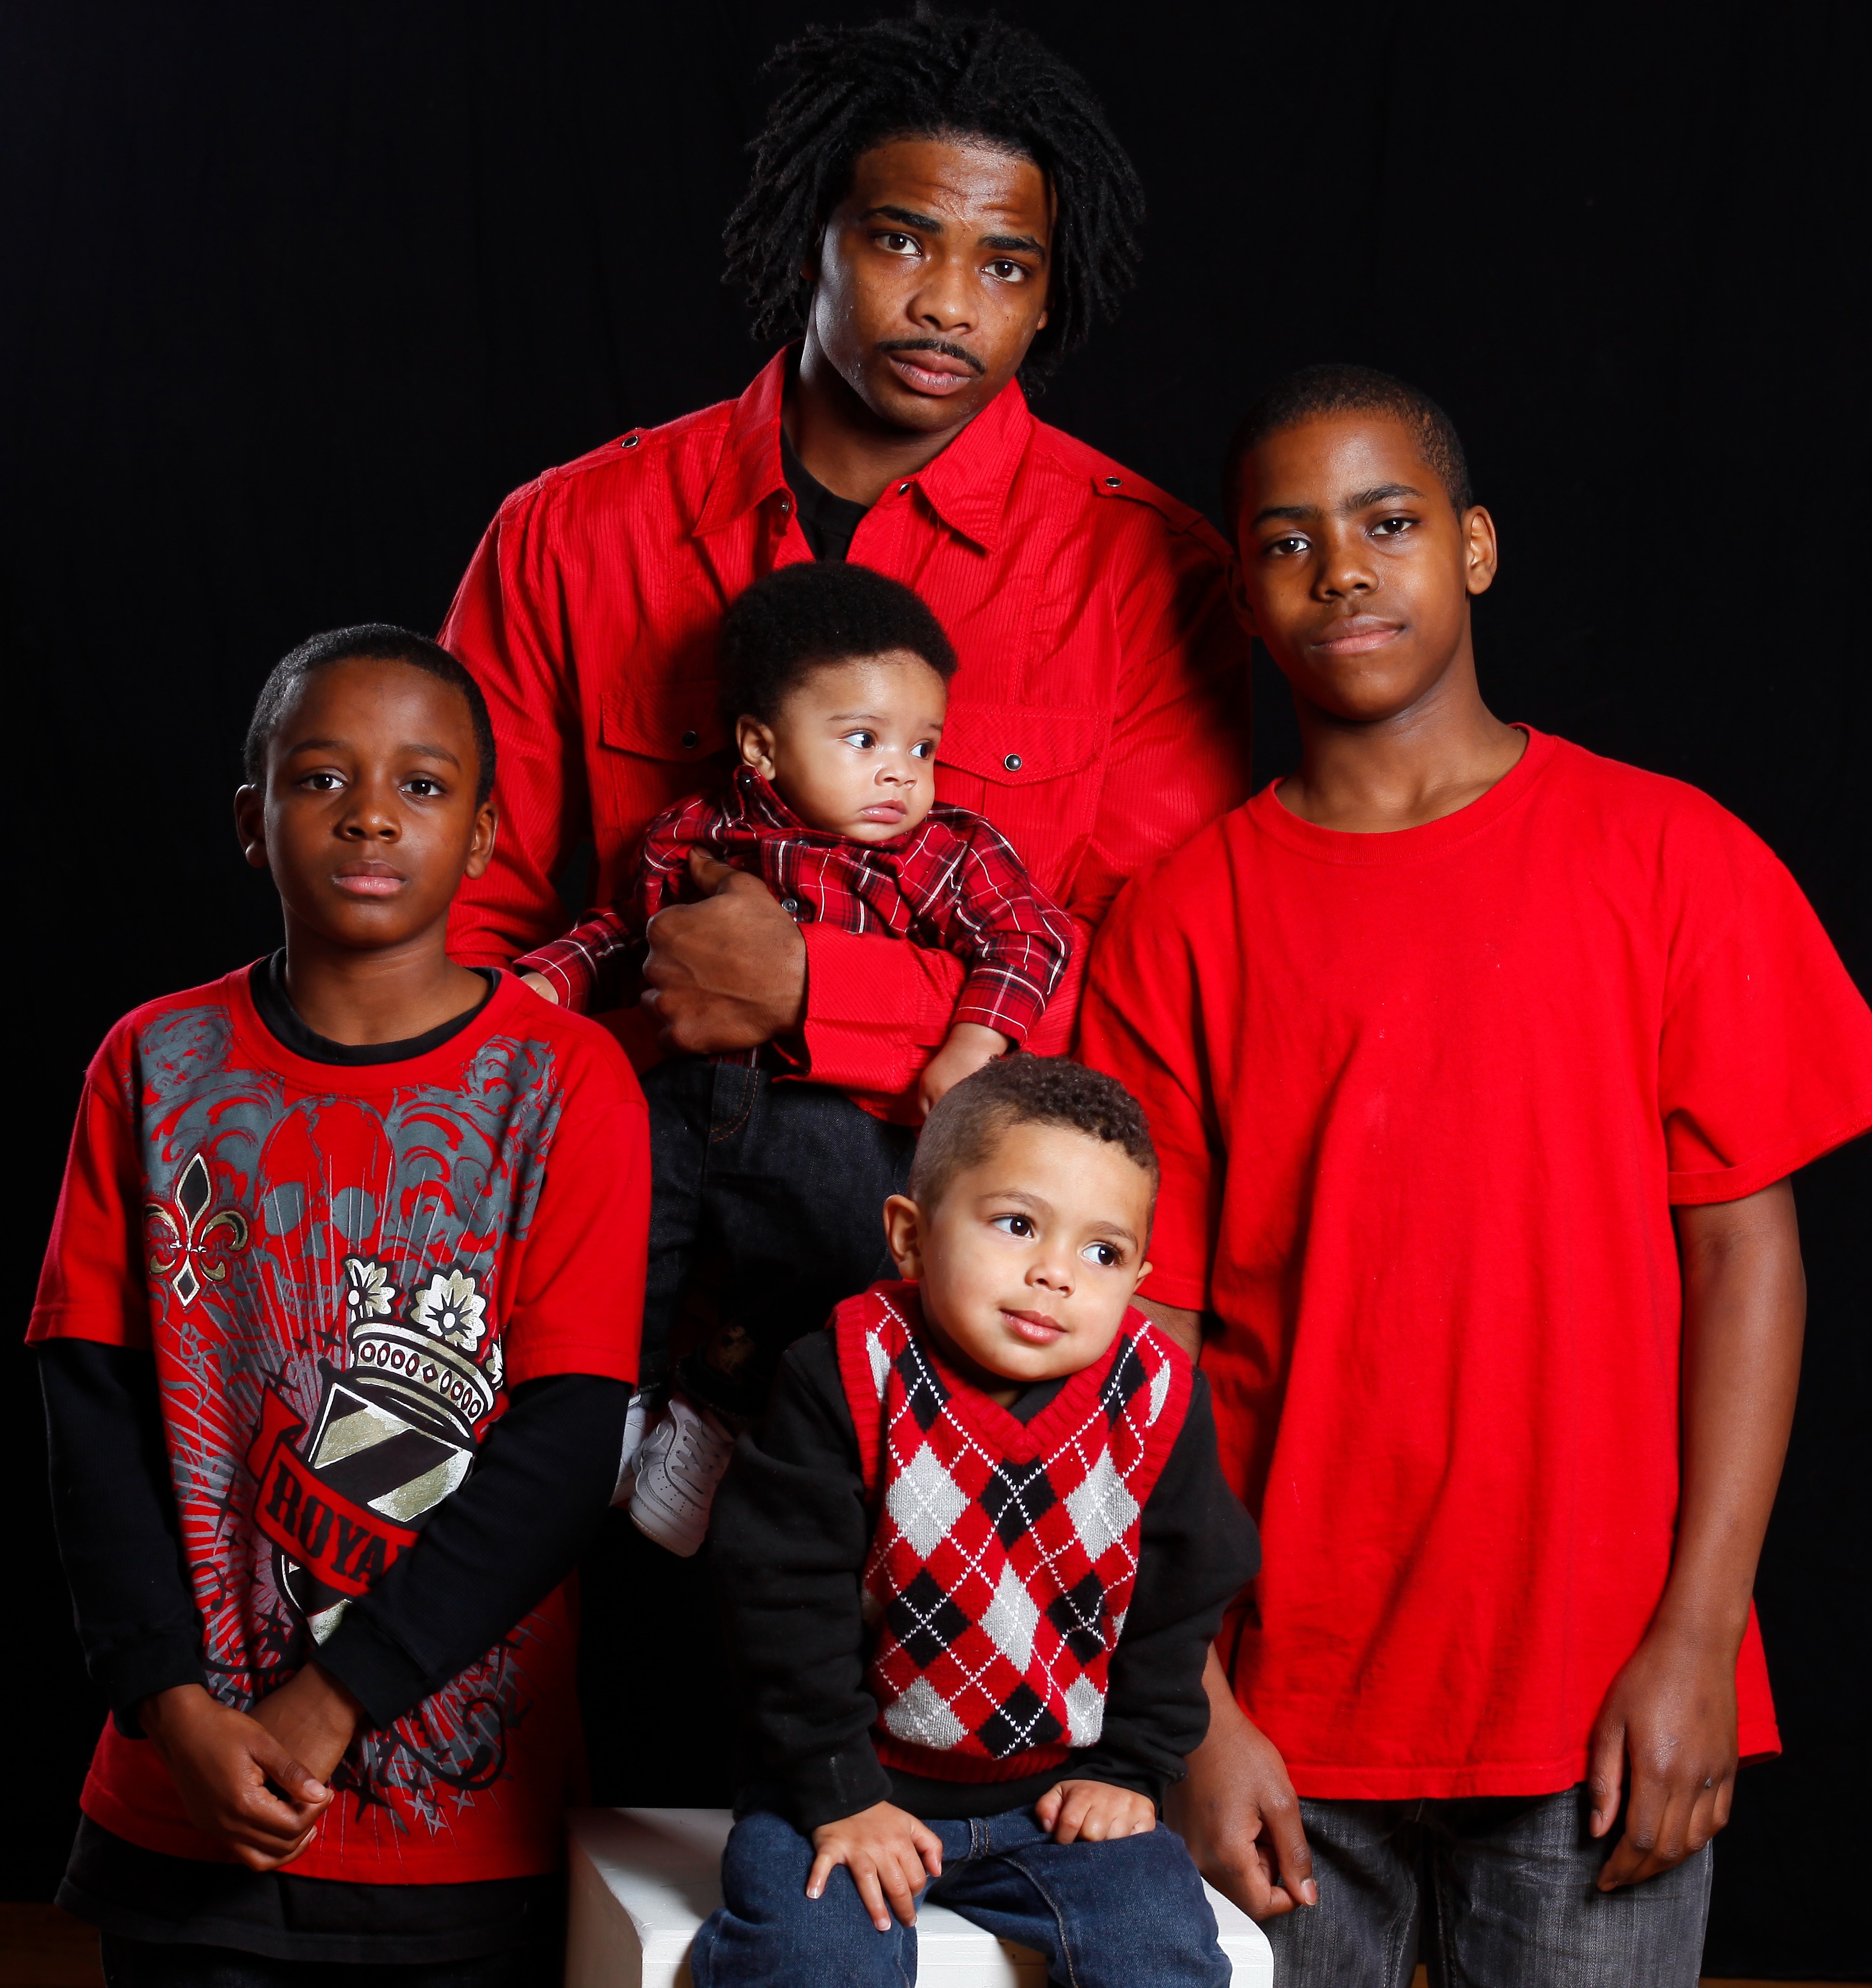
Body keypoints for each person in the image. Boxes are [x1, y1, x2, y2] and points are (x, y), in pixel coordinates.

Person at [438, 11, 1249, 1800]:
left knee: (880, 1862)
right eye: (897, 240)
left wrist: (818, 988)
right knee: (597, 1847)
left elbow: (1142, 994)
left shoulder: (1144, 575)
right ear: (807, 230)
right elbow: (469, 941)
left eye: (1003, 265)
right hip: (606, 1350)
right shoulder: (573, 533)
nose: (945, 304)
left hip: (954, 1398)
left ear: (1050, 295)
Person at [1078, 367, 1872, 1986]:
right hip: (1277, 1713)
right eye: (1286, 542)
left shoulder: (1668, 856)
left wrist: (1699, 1637)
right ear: (1240, 598)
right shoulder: (1181, 920)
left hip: (1594, 1692)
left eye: (1386, 523)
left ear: (1471, 547)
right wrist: (1186, 1704)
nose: (1341, 571)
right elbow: (1139, 1343)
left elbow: (1744, 1261)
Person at [31, 627, 649, 1984]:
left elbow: (564, 1449)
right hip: (188, 1783)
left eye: (422, 785)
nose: (371, 813)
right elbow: (94, 1420)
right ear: (251, 821)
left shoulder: (567, 1081)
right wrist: (168, 1699)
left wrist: (341, 1695)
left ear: (483, 836)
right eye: (322, 778)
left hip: (456, 1825)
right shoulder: (153, 1061)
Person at [516, 562, 1074, 1554]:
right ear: (761, 747)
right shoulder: (692, 833)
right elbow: (624, 933)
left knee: (842, 1261)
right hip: (682, 1095)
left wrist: (974, 1039)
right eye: (863, 740)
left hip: (827, 1111)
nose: (900, 773)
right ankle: (620, 1405)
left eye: (923, 746)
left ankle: (714, 1403)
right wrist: (542, 987)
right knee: (620, 1232)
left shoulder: (946, 851)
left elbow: (1028, 939)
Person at [694, 1055, 1261, 1988]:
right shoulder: (846, 1370)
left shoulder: (1157, 1394)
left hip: (1055, 1800)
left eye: (1102, 1252)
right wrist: (837, 1789)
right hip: (847, 1779)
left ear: (1137, 1277)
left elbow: (1182, 1596)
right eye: (1016, 1224)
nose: (1054, 1273)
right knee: (810, 1957)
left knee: (1156, 1945)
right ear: (910, 1237)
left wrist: (1128, 1770)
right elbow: (777, 1597)